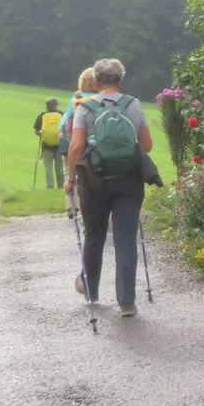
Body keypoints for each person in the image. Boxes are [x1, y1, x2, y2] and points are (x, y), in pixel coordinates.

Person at [64, 57, 152, 318]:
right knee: (125, 239)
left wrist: (70, 178)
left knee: (94, 236)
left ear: (96, 80)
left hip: (94, 182)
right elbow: (146, 145)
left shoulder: (85, 107)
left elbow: (77, 146)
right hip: (129, 181)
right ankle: (127, 302)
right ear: (120, 79)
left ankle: (91, 291)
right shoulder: (133, 104)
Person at [59, 68, 100, 216]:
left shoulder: (76, 101)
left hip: (81, 145)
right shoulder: (104, 98)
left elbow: (69, 126)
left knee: (79, 178)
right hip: (100, 145)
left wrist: (73, 145)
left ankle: (78, 210)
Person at [32, 97, 64, 188]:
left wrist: (44, 136)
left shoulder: (42, 115)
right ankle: (61, 186)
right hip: (60, 145)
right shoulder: (62, 114)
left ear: (46, 106)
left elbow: (36, 131)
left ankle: (50, 186)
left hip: (46, 146)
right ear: (57, 105)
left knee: (48, 168)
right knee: (60, 167)